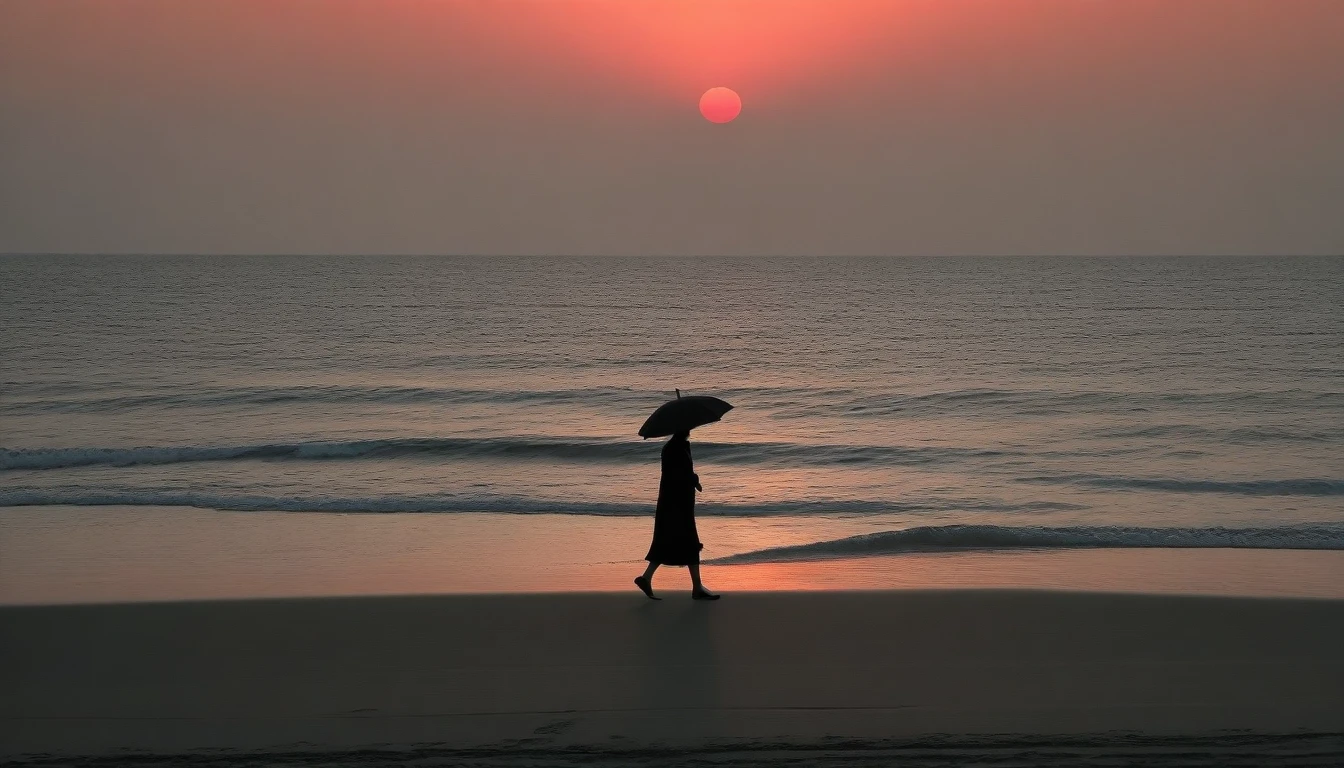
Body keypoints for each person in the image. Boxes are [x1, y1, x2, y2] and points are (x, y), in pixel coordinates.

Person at [635, 429, 719, 600]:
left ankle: (647, 577)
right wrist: (694, 480)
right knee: (689, 542)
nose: (689, 429)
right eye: (686, 426)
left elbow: (678, 474)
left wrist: (693, 480)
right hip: (677, 503)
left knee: (667, 541)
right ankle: (697, 588)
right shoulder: (676, 448)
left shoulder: (674, 447)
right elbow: (680, 475)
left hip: (672, 502)